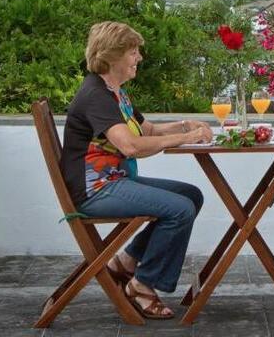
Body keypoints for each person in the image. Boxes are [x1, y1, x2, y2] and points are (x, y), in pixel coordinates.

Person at [61, 21, 213, 320]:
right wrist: (186, 139)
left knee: (190, 196)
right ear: (111, 56)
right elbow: (130, 146)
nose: (139, 58)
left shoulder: (115, 92)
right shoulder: (96, 96)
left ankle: (126, 263)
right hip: (96, 190)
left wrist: (186, 125)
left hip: (115, 181)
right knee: (179, 209)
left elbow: (148, 129)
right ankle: (142, 285)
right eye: (133, 52)